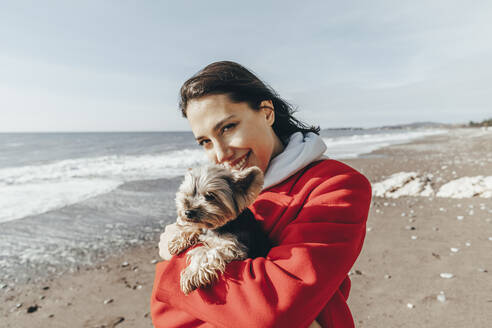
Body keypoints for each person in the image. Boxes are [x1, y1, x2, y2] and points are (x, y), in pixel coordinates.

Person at [150, 61, 372, 328]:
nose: (220, 154)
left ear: (266, 113)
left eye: (228, 127)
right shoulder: (216, 194)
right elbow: (164, 316)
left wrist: (177, 260)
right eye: (205, 142)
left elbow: (275, 309)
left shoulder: (334, 186)